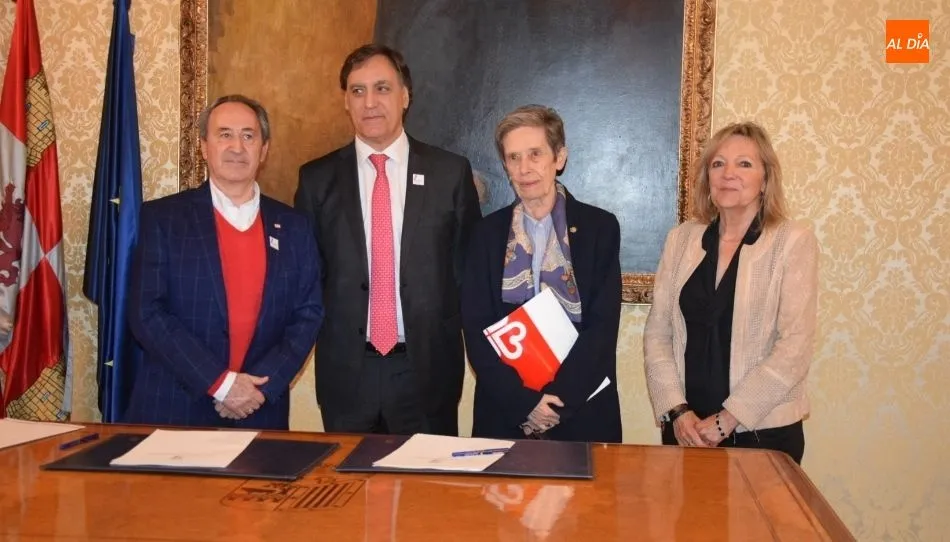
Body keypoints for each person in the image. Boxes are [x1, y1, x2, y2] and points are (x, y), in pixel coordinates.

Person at [295, 44, 481, 436]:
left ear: (405, 96)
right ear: (345, 101)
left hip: (426, 371)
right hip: (348, 373)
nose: (370, 102)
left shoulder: (450, 173)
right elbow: (307, 278)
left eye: (382, 88)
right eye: (357, 91)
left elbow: (468, 274)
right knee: (347, 492)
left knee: (423, 494)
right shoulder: (316, 179)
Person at [125, 95, 324, 430]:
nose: (237, 146)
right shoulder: (163, 218)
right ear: (204, 146)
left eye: (248, 136)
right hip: (175, 409)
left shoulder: (295, 227)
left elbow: (308, 313)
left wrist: (260, 387)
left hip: (259, 410)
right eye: (225, 134)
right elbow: (147, 312)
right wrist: (219, 383)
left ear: (263, 150)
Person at [643, 121, 818, 464]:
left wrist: (726, 421)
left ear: (765, 178)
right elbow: (658, 333)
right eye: (718, 164)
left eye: (744, 164)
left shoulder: (792, 242)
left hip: (762, 434)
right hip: (686, 432)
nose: (728, 173)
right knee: (687, 520)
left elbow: (795, 346)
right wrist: (677, 412)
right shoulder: (681, 240)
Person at [460, 104, 622, 443]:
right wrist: (524, 403)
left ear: (558, 158)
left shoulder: (599, 228)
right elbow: (476, 328)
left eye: (535, 154)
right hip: (504, 412)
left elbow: (602, 329)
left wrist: (556, 404)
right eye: (514, 157)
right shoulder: (486, 234)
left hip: (582, 411)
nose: (525, 168)